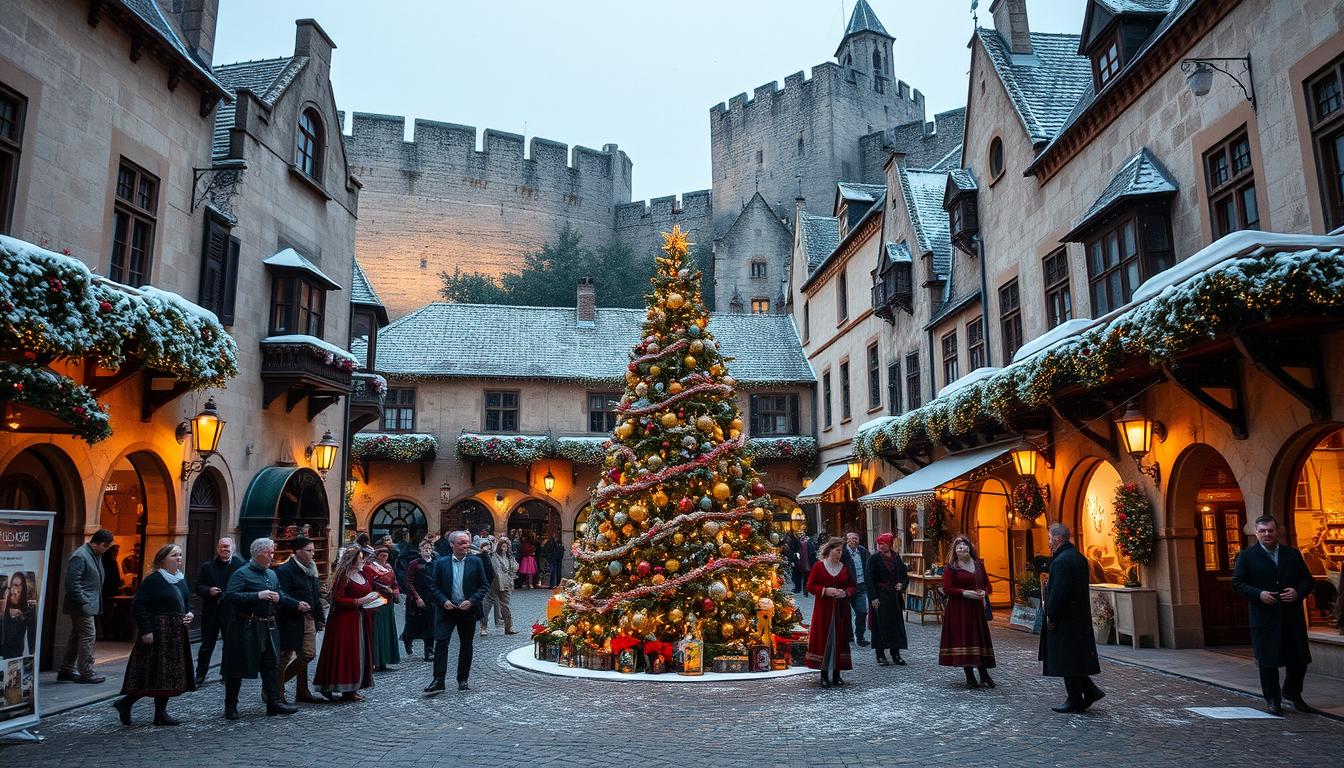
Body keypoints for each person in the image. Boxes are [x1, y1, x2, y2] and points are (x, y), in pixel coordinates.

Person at [1232, 515, 1317, 714]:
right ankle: (1272, 700)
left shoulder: (1292, 554)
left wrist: (1298, 592)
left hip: (1291, 616)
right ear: (1256, 533)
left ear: (1277, 531)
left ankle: (1292, 692)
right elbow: (1238, 583)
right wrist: (1258, 594)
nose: (1267, 534)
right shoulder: (1247, 556)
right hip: (1264, 617)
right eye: (1262, 531)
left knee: (1299, 659)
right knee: (1268, 661)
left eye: (1270, 530)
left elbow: (1308, 580)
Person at [112, 544, 195, 726]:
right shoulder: (154, 580)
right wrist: (146, 629)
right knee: (151, 672)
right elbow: (139, 605)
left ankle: (160, 713)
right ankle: (126, 703)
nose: (179, 558)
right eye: (174, 555)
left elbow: (186, 602)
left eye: (180, 555)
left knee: (167, 675)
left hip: (176, 633)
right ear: (163, 559)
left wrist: (189, 614)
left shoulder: (180, 579)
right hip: (159, 631)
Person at [220, 538, 301, 720]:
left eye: (272, 552)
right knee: (236, 667)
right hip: (245, 627)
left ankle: (273, 702)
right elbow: (230, 596)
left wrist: (282, 599)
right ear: (258, 554)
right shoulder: (241, 574)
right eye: (269, 553)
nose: (272, 556)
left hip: (268, 626)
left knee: (270, 664)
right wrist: (258, 595)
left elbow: (279, 591)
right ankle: (230, 706)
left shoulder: (271, 574)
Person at [1040, 524, 1104, 713]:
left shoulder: (1061, 561)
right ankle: (1090, 691)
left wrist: (1051, 615)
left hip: (1065, 620)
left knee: (1067, 659)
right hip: (1078, 618)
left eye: (1050, 538)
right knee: (1074, 658)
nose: (1049, 542)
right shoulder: (1079, 558)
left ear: (1058, 539)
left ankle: (1075, 698)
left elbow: (1059, 593)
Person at [424, 531, 489, 693]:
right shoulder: (441, 562)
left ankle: (463, 679)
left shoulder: (476, 562)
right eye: (461, 543)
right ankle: (438, 680)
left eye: (467, 542)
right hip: (447, 610)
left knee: (466, 645)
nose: (466, 545)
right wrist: (443, 601)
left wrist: (472, 600)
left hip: (467, 611)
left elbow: (483, 586)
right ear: (452, 545)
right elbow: (433, 586)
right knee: (441, 643)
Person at [313, 547, 376, 701]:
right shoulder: (343, 576)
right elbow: (337, 599)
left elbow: (366, 591)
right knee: (345, 652)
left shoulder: (362, 574)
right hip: (344, 622)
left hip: (360, 618)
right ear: (352, 559)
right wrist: (359, 601)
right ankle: (341, 687)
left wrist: (373, 598)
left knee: (358, 652)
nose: (363, 560)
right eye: (360, 557)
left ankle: (353, 687)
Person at [939, 534, 995, 689]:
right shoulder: (951, 568)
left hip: (976, 610)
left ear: (970, 548)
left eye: (964, 545)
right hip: (959, 610)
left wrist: (983, 592)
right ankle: (969, 674)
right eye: (958, 546)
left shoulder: (979, 565)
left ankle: (984, 674)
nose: (961, 548)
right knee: (965, 639)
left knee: (978, 639)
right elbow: (947, 589)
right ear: (955, 550)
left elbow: (987, 585)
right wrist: (966, 593)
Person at [58, 528, 113, 684]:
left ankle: (66, 669)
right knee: (89, 635)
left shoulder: (94, 555)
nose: (106, 550)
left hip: (87, 603)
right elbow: (72, 583)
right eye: (106, 546)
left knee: (77, 636)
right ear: (100, 544)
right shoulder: (81, 556)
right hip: (81, 605)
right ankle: (86, 672)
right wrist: (84, 601)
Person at [275, 536, 326, 705]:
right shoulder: (285, 570)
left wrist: (320, 618)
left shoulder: (312, 568)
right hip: (291, 618)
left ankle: (278, 685)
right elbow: (281, 594)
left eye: (313, 550)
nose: (313, 553)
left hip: (309, 617)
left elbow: (315, 595)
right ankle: (278, 691)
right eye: (309, 550)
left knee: (308, 654)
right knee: (286, 655)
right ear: (298, 552)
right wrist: (295, 604)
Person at [194, 537, 246, 686]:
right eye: (223, 546)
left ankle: (226, 673)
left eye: (228, 547)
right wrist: (208, 590)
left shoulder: (240, 566)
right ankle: (200, 675)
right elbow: (198, 586)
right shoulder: (207, 567)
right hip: (211, 611)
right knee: (206, 646)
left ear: (233, 549)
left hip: (231, 612)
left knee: (230, 645)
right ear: (217, 549)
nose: (225, 549)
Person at [806, 537, 856, 688]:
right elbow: (810, 586)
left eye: (841, 551)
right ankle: (823, 674)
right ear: (830, 550)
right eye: (837, 550)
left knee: (839, 639)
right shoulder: (819, 566)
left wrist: (845, 593)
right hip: (824, 610)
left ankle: (836, 674)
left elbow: (853, 586)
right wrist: (825, 591)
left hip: (841, 610)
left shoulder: (845, 567)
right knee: (824, 639)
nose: (840, 554)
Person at [866, 532, 909, 666]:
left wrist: (901, 584)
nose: (880, 545)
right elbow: (869, 579)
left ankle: (895, 654)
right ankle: (880, 655)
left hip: (894, 597)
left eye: (883, 543)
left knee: (895, 625)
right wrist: (873, 597)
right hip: (880, 596)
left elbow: (904, 575)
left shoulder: (896, 557)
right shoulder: (873, 558)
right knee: (880, 626)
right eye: (878, 543)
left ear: (889, 544)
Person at [366, 546, 402, 672]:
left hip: (389, 602)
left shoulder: (389, 567)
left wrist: (396, 590)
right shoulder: (371, 567)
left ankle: (385, 661)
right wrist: (383, 588)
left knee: (387, 630)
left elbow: (394, 582)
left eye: (386, 555)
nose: (384, 558)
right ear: (377, 556)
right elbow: (370, 583)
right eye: (382, 555)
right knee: (378, 631)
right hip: (377, 602)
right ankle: (376, 661)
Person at [401, 538, 437, 661]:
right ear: (420, 550)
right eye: (424, 548)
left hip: (431, 599)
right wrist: (416, 597)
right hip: (417, 598)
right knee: (413, 624)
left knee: (430, 625)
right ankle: (407, 638)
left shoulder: (435, 562)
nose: (427, 550)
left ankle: (429, 650)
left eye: (429, 548)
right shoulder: (414, 564)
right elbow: (408, 582)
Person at [482, 536, 518, 636]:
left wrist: (511, 574)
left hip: (506, 583)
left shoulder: (510, 557)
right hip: (494, 583)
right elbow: (496, 570)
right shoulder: (494, 556)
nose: (505, 548)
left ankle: (508, 626)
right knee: (487, 604)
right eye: (503, 546)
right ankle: (483, 626)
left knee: (505, 606)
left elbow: (515, 567)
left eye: (506, 546)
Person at [841, 532, 871, 647]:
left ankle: (860, 636)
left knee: (862, 612)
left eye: (856, 538)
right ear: (847, 540)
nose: (854, 540)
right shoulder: (843, 552)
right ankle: (849, 637)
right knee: (846, 614)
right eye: (851, 538)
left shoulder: (863, 552)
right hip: (847, 587)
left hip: (861, 586)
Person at [1, 571, 36, 659]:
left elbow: (32, 634)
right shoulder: (4, 604)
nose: (15, 590)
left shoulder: (28, 608)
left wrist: (33, 654)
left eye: (19, 586)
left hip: (17, 653)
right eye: (14, 585)